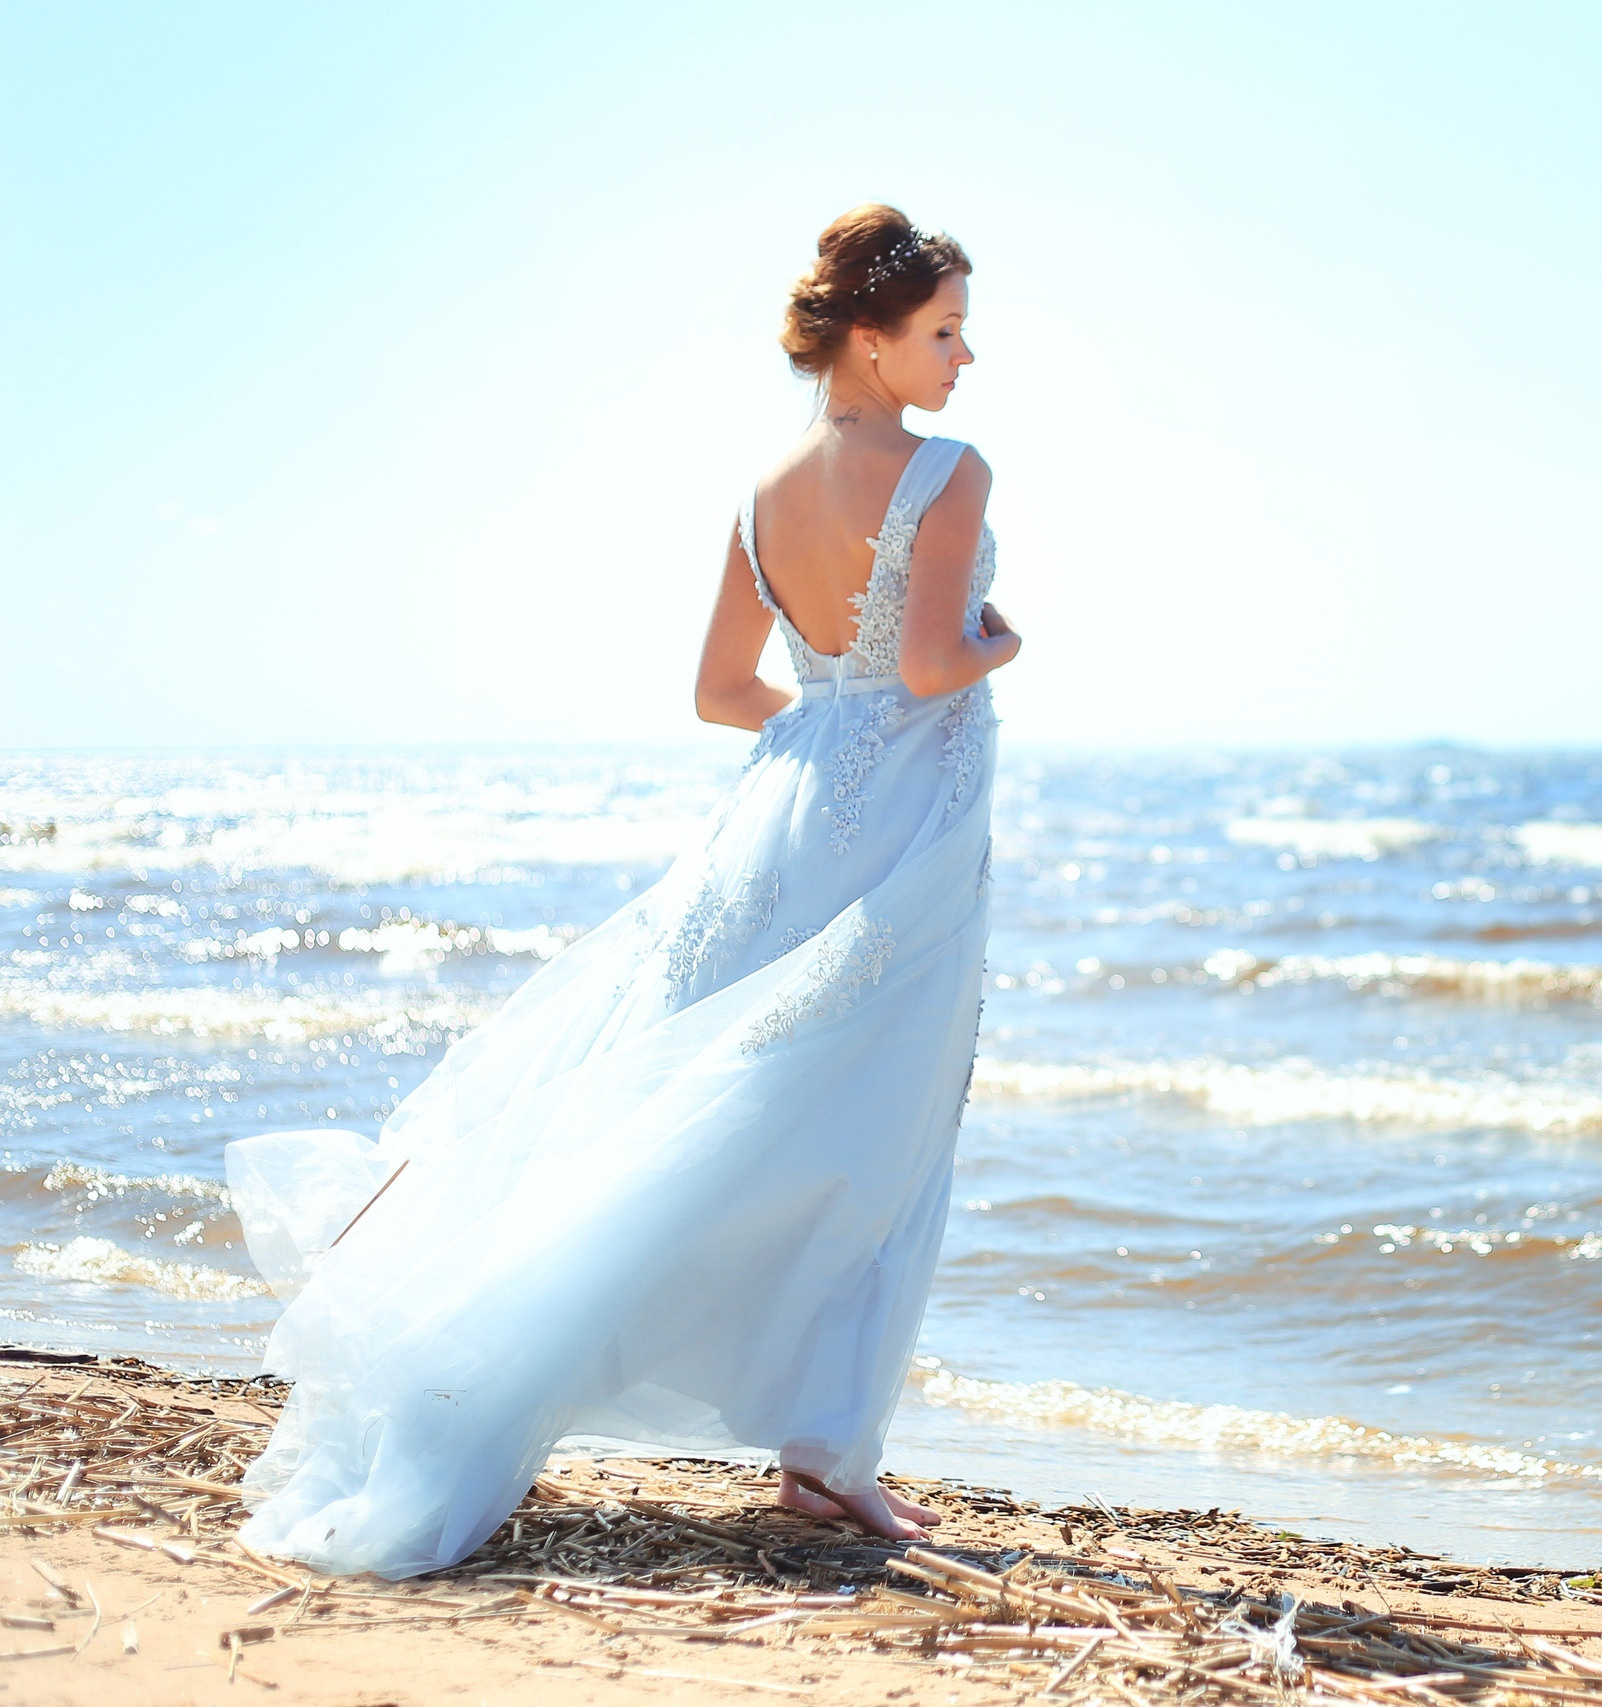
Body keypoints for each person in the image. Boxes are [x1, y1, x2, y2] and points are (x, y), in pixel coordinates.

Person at [223, 204, 1018, 1578]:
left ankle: (522, 1359)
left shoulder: (761, 496)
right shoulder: (947, 471)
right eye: (945, 330)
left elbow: (719, 694)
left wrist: (827, 726)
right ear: (875, 343)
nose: (968, 355)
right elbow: (938, 665)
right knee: (879, 1125)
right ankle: (828, 1460)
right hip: (900, 826)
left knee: (691, 1103)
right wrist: (1009, 638)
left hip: (778, 809)